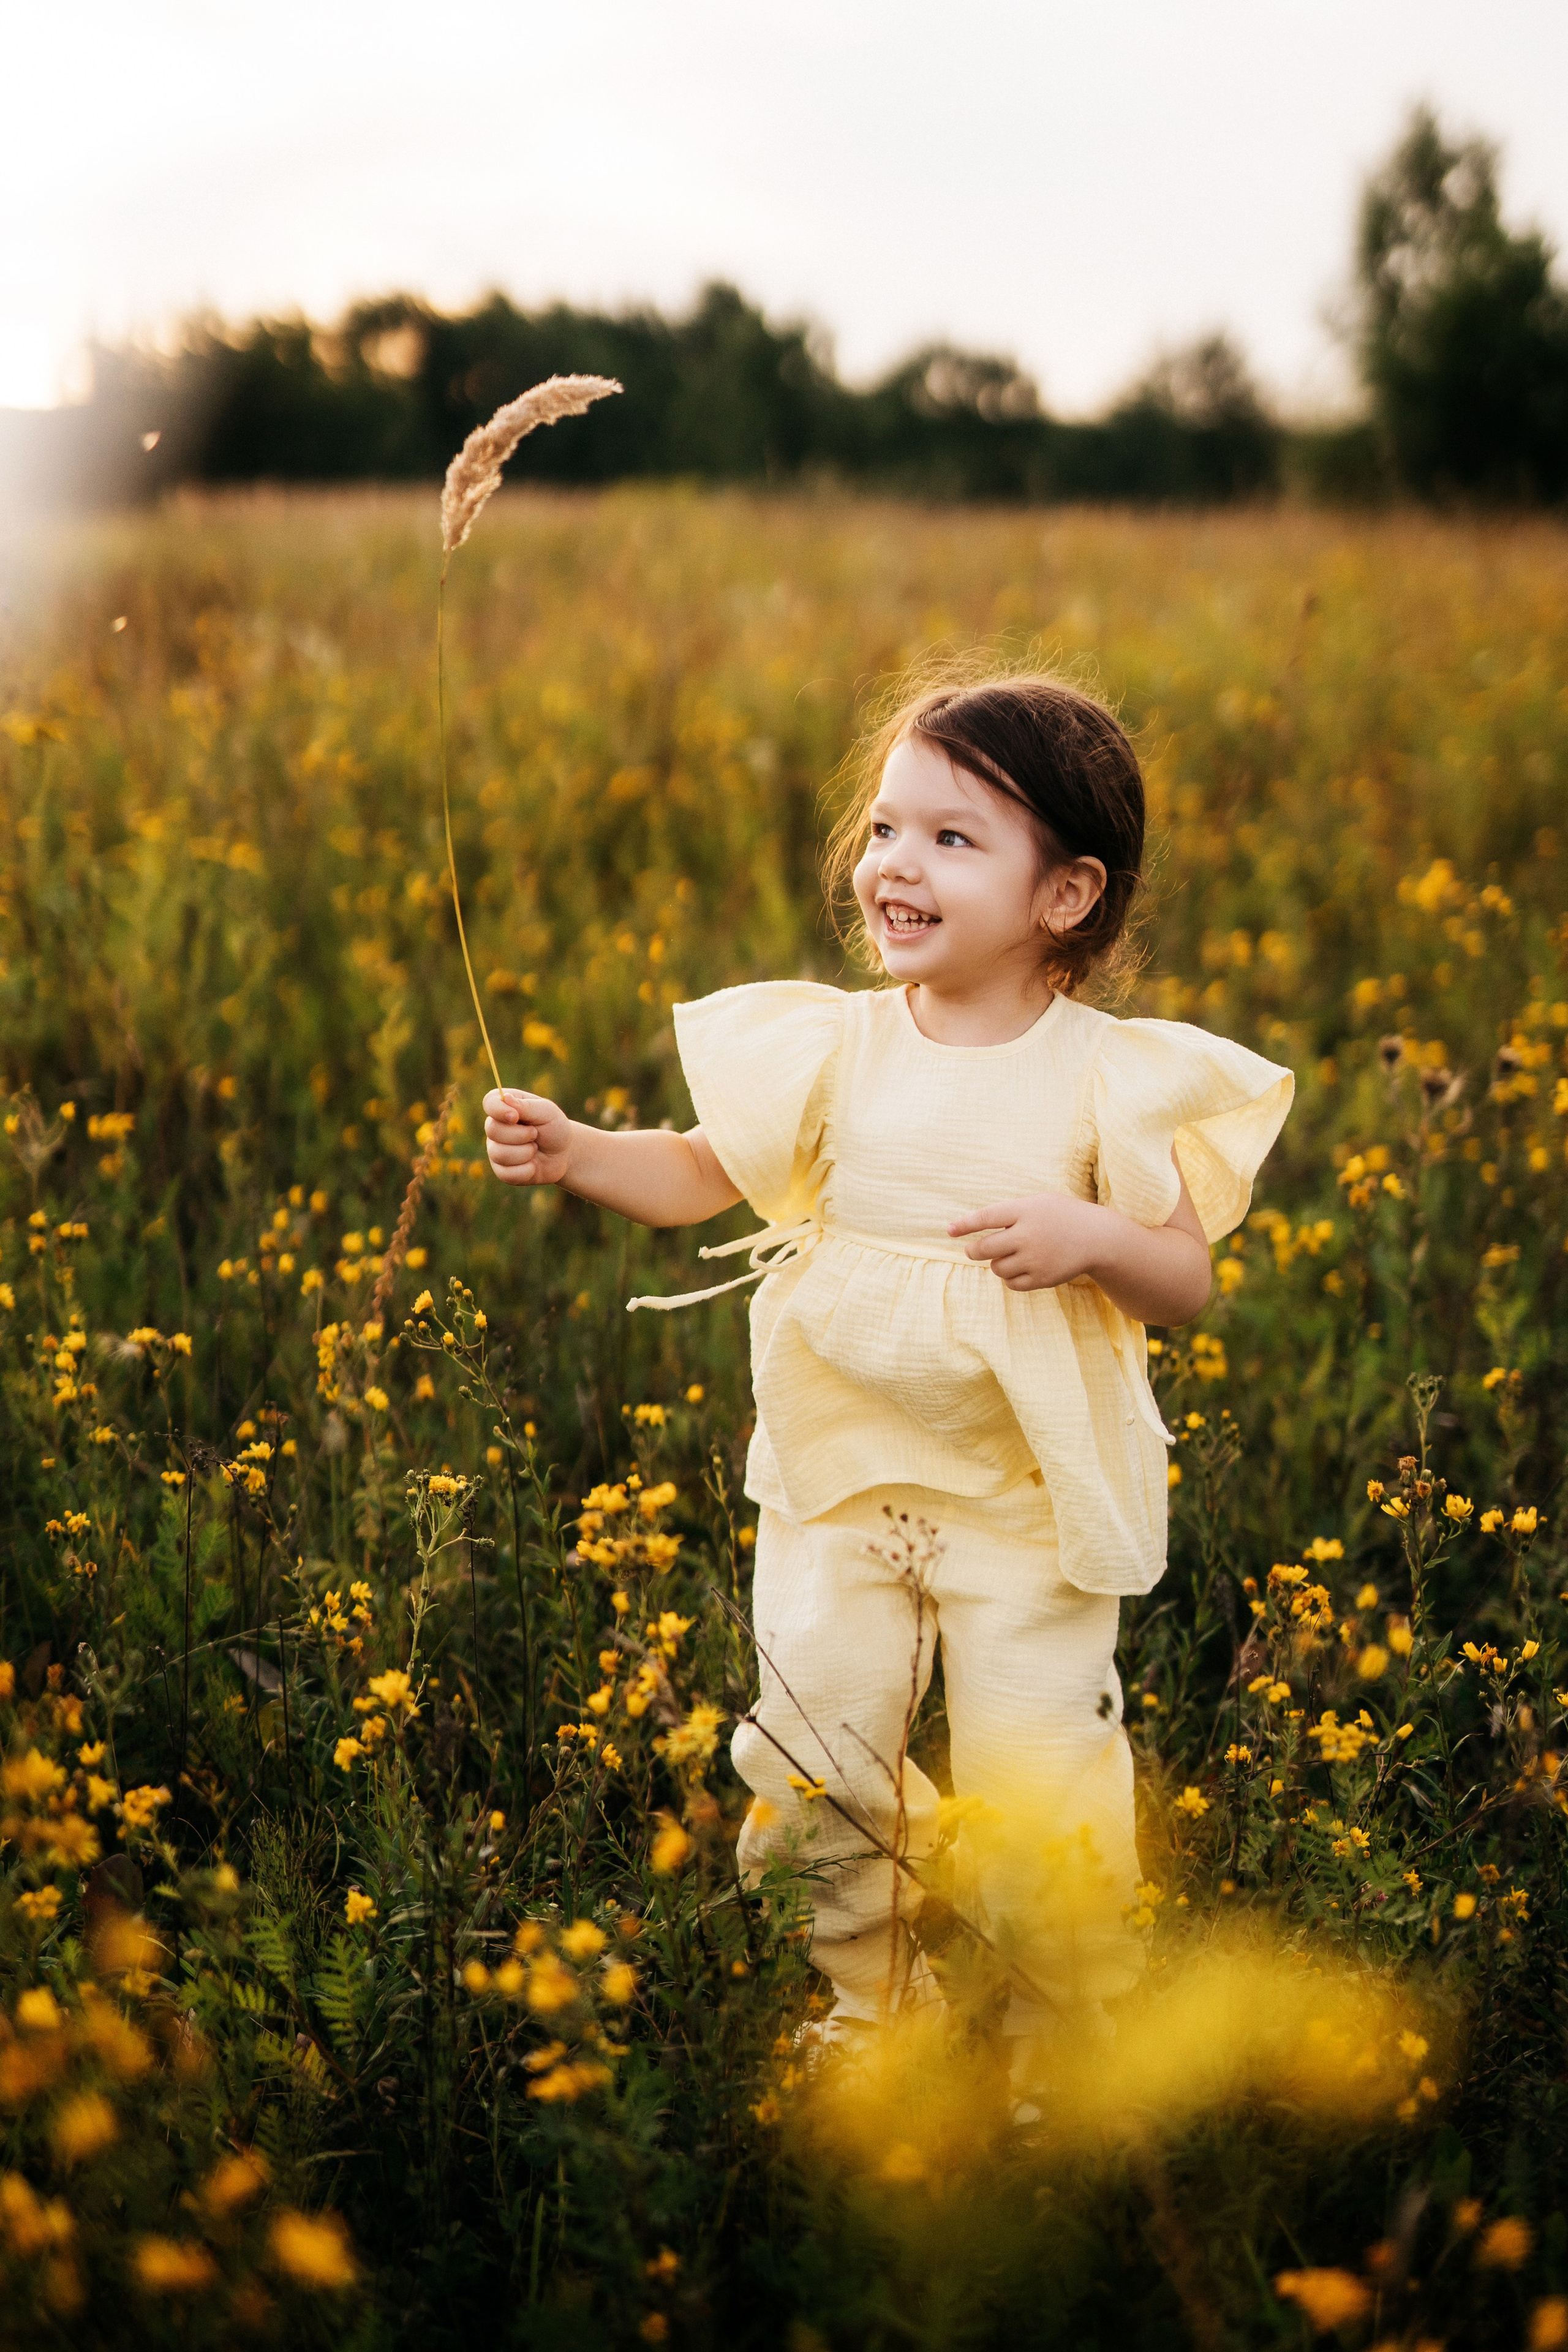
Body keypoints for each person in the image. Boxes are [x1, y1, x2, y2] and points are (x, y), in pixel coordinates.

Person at [484, 672, 1292, 2060]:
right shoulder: (836, 1046)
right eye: (881, 829)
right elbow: (698, 1175)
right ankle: (869, 2003)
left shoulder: (1103, 1077)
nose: (894, 865)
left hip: (1023, 1497)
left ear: (1064, 898)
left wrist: (1090, 1233)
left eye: (951, 839)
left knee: (1039, 1771)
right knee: (811, 1755)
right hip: (838, 1475)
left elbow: (1184, 1279)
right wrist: (576, 1151)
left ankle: (1061, 2032)